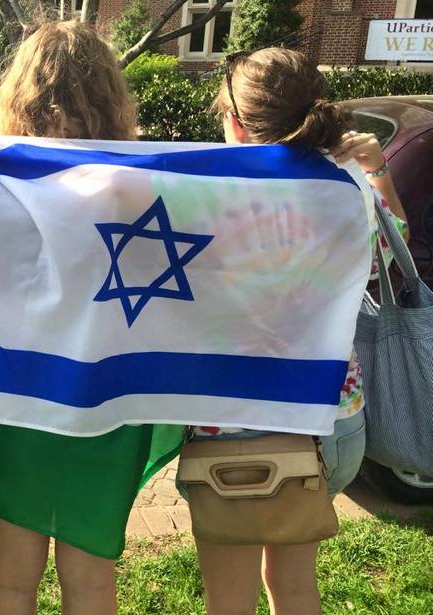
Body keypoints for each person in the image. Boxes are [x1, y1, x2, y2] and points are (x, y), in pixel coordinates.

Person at [0, 21, 181, 615]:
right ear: (109, 93)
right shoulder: (146, 184)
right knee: (93, 585)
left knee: (8, 587)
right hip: (108, 404)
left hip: (19, 396)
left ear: (20, 91)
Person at [185, 47, 407, 615]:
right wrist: (376, 169)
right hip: (332, 419)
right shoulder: (350, 183)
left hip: (232, 423)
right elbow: (393, 250)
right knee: (295, 586)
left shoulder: (202, 192)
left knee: (228, 598)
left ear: (234, 122)